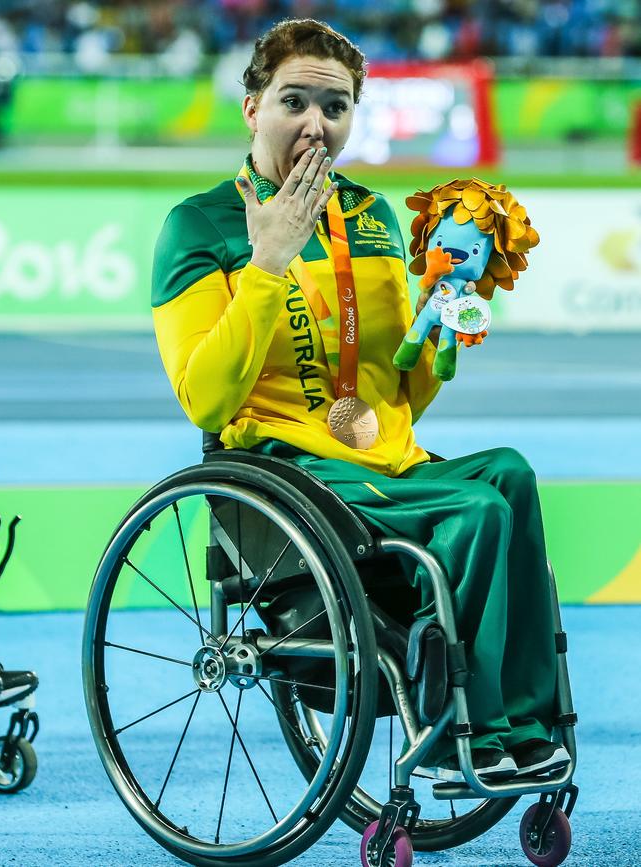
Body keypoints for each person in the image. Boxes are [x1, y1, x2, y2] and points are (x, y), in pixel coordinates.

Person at [151, 17, 570, 784]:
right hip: (283, 472)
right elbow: (205, 401)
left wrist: (442, 327)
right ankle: (459, 737)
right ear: (252, 107)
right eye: (295, 101)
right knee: (476, 514)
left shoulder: (373, 218)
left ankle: (527, 723)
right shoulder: (200, 226)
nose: (316, 124)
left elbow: (395, 393)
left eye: (335, 107)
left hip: (376, 456)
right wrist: (269, 262)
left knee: (509, 472)